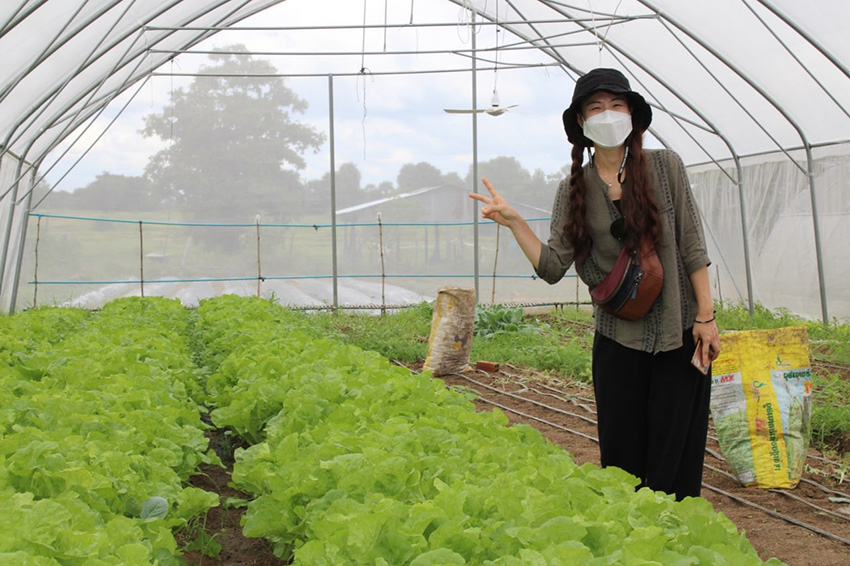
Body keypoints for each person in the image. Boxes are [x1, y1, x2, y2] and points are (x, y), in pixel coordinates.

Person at [469, 67, 721, 501]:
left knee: (675, 451)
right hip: (618, 339)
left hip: (678, 335)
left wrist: (706, 316)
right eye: (596, 108)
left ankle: (675, 537)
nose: (608, 115)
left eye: (617, 105)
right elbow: (552, 266)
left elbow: (692, 247)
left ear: (633, 116)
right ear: (582, 124)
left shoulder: (666, 168)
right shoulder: (574, 190)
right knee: (623, 460)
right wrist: (513, 223)